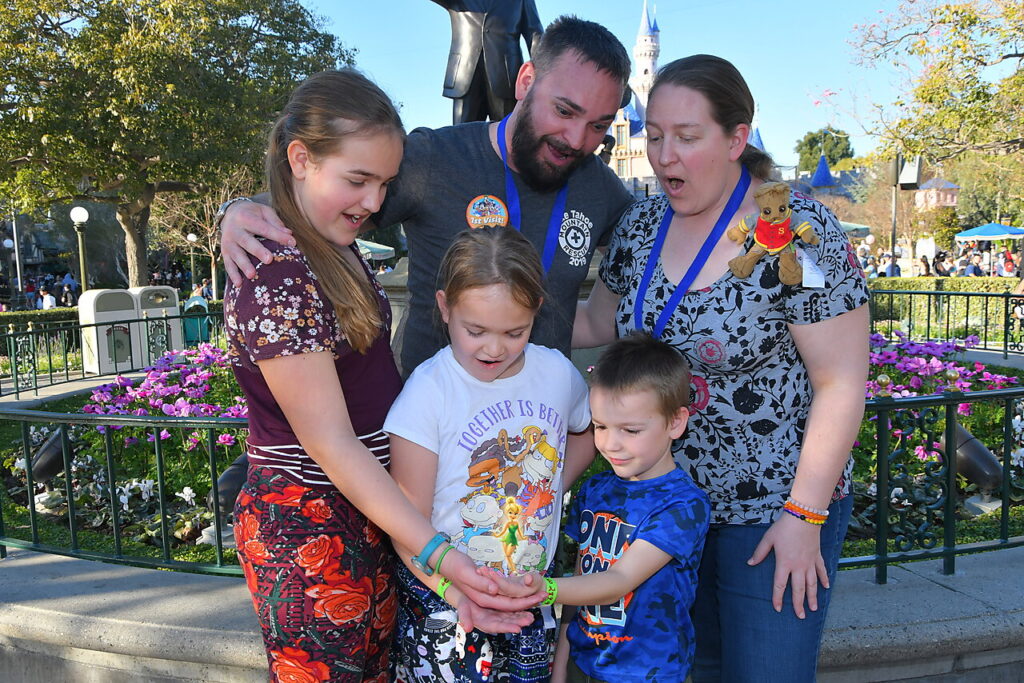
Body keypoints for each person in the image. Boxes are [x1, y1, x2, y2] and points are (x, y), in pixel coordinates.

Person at [222, 69, 535, 682]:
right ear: (300, 159)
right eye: (357, 180)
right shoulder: (277, 274)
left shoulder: (330, 243)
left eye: (384, 184)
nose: (372, 202)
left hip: (368, 512)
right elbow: (332, 442)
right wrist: (440, 555)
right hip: (311, 525)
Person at [573, 55, 869, 682]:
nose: (663, 155)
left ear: (737, 140)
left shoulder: (793, 228)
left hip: (770, 509)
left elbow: (841, 381)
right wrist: (492, 321)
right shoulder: (642, 223)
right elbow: (598, 324)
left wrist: (804, 515)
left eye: (687, 137)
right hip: (661, 502)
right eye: (653, 136)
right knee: (690, 669)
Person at [219, 15, 634, 377]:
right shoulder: (434, 158)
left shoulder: (598, 185)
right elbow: (319, 197)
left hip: (534, 433)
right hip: (426, 435)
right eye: (564, 111)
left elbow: (664, 239)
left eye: (599, 125)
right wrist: (238, 210)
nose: (578, 140)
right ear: (526, 82)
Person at [384, 226, 595, 682]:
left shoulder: (557, 373)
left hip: (527, 600)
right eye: (475, 330)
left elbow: (585, 431)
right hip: (444, 604)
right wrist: (451, 590)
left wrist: (553, 484)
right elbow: (406, 526)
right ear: (444, 307)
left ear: (536, 311)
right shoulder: (428, 393)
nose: (494, 348)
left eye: (514, 332)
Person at [508, 332, 709, 683]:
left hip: (648, 671)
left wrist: (543, 588)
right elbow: (582, 576)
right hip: (585, 663)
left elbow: (619, 580)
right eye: (600, 426)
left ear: (676, 422)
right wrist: (560, 668)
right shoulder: (596, 489)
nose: (610, 444)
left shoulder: (683, 504)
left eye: (630, 430)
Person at [433, 0, 544, 124]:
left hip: (506, 78)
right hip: (464, 76)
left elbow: (534, 34)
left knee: (506, 134)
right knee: (461, 136)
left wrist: (544, 72)